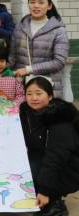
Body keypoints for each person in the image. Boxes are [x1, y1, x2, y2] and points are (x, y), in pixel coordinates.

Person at [20, 76, 79, 216]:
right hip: (45, 160)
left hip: (68, 168)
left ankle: (54, 204)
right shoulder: (27, 113)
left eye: (39, 93)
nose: (34, 98)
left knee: (37, 167)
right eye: (29, 93)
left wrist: (45, 191)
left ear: (50, 96)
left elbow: (56, 157)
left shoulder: (60, 119)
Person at [10, 0, 69, 98]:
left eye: (41, 2)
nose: (36, 6)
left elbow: (59, 62)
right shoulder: (20, 27)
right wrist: (0, 72)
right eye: (32, 2)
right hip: (21, 86)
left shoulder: (58, 30)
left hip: (47, 86)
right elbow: (12, 57)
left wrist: (28, 69)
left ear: (49, 6)